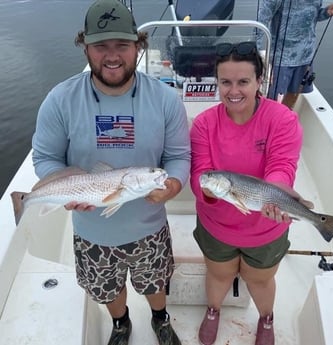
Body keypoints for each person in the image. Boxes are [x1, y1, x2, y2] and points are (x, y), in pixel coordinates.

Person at [31, 0, 190, 344]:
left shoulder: (166, 99)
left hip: (150, 227)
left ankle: (160, 319)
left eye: (122, 45)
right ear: (85, 47)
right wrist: (69, 185)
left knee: (155, 282)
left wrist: (174, 183)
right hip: (91, 230)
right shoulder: (60, 100)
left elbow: (178, 156)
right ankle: (121, 324)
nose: (112, 56)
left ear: (138, 45)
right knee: (107, 290)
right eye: (101, 46)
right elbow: (45, 157)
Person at [190, 41, 303, 345]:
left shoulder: (282, 119)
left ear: (259, 81)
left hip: (266, 225)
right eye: (225, 82)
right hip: (217, 225)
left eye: (243, 81)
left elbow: (282, 165)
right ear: (217, 82)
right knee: (218, 275)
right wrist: (211, 192)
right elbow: (199, 174)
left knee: (260, 278)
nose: (233, 90)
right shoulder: (203, 125)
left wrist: (277, 193)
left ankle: (266, 318)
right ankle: (214, 310)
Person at [257, 0, 333, 109]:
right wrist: (255, 50)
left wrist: (326, 12)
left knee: (294, 93)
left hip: (306, 55)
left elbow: (313, 16)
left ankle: (285, 119)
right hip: (282, 58)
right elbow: (262, 20)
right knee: (275, 98)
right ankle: (269, 121)